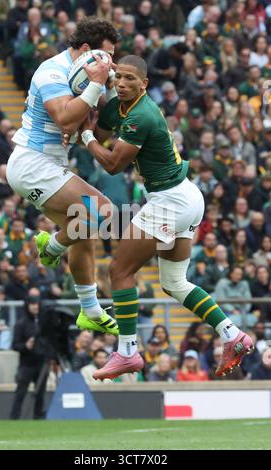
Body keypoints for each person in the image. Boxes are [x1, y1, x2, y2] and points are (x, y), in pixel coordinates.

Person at [75, 54, 253, 380]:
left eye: (131, 79)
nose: (124, 84)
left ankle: (127, 351)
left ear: (145, 84)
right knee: (174, 283)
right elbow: (99, 132)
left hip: (171, 201)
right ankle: (232, 334)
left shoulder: (141, 114)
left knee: (119, 269)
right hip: (184, 196)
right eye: (120, 78)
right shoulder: (118, 106)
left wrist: (85, 136)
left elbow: (112, 162)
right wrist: (88, 108)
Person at [6, 17, 120, 338]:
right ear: (86, 50)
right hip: (32, 163)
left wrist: (111, 94)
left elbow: (98, 128)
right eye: (106, 55)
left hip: (48, 166)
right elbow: (64, 117)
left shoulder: (83, 75)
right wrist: (97, 85)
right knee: (105, 211)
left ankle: (90, 310)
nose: (110, 64)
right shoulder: (52, 71)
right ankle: (52, 246)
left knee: (84, 232)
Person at [10, 293, 51, 419]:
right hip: (26, 364)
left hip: (42, 363)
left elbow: (51, 341)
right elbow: (15, 345)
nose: (35, 307)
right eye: (32, 304)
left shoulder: (44, 323)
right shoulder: (21, 324)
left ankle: (38, 417)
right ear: (27, 306)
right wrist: (25, 346)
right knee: (20, 393)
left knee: (40, 394)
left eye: (37, 304)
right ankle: (14, 418)